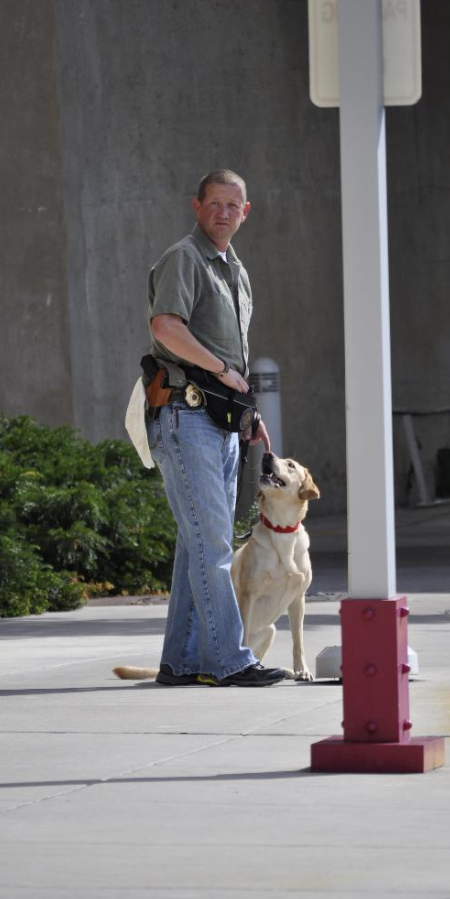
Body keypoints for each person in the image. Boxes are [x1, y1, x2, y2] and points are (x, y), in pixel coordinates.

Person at [145, 169, 287, 687]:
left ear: (245, 213)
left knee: (198, 543)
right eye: (214, 204)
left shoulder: (235, 269)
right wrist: (223, 371)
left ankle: (181, 661)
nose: (223, 213)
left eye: (233, 205)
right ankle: (229, 661)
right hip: (185, 416)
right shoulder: (185, 257)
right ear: (197, 207)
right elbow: (166, 327)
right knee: (213, 545)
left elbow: (233, 357)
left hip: (220, 420)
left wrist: (249, 412)